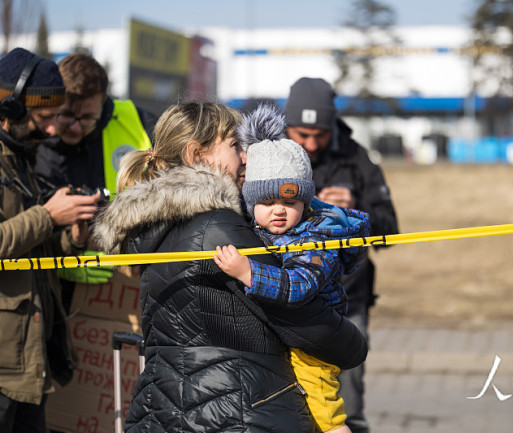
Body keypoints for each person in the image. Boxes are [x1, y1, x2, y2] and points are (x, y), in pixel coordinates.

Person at [92, 101, 367, 432]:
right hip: (236, 410)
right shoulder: (219, 227)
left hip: (165, 409)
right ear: (197, 155)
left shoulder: (154, 226)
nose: (245, 157)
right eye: (235, 145)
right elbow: (305, 323)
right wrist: (354, 342)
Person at [214, 105, 370, 433]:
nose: (279, 212)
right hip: (288, 337)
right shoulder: (258, 228)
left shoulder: (318, 237)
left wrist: (248, 273)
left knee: (322, 404)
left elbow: (298, 286)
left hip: (313, 342)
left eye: (290, 203)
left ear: (306, 203)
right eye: (267, 204)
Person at [285, 77, 400, 433]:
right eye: (301, 135)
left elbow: (390, 228)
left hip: (349, 300)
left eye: (318, 134)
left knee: (347, 408)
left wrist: (355, 210)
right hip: (287, 300)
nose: (310, 143)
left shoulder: (356, 158)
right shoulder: (272, 155)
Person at [0, 47, 101, 433]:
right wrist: (47, 216)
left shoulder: (21, 157)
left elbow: (29, 248)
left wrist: (72, 235)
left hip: (29, 359)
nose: (54, 130)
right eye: (44, 118)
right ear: (10, 109)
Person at [33, 53, 157, 290]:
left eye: (87, 118)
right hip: (55, 288)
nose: (75, 127)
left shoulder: (138, 122)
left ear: (103, 104)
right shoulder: (34, 137)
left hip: (124, 287)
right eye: (66, 115)